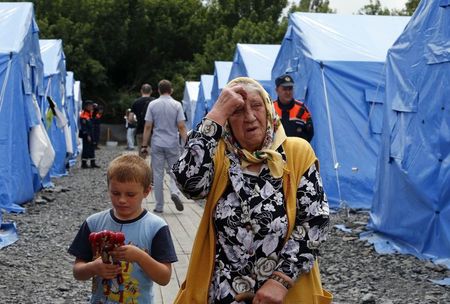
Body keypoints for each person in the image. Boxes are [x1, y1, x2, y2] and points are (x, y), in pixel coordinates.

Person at [172, 77, 332, 303]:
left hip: (284, 295)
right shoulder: (219, 156)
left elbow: (316, 220)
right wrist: (216, 113)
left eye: (256, 106)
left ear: (268, 109)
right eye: (236, 111)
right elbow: (188, 182)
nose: (249, 117)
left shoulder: (296, 153)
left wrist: (281, 279)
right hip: (225, 294)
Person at [68, 154, 178, 304]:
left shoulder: (156, 227)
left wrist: (140, 257)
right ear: (108, 188)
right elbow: (77, 271)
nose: (122, 200)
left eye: (130, 194)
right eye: (115, 193)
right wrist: (93, 267)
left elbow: (164, 277)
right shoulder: (93, 223)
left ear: (147, 192)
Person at [141, 79, 187, 213]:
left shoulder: (153, 105)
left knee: (158, 174)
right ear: (171, 90)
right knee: (175, 171)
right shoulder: (177, 105)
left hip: (157, 142)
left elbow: (148, 126)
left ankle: (159, 206)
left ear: (158, 90)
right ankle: (174, 192)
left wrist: (144, 145)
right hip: (172, 143)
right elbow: (181, 126)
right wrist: (188, 143)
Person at [273, 74, 314, 142]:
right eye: (284, 89)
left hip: (298, 151)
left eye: (290, 89)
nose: (288, 92)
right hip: (277, 151)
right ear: (277, 90)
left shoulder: (302, 110)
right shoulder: (271, 109)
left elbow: (310, 133)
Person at [131, 84, 155, 149]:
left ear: (141, 91)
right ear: (151, 91)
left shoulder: (135, 102)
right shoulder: (155, 102)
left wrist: (136, 121)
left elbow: (130, 118)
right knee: (156, 154)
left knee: (142, 154)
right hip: (154, 132)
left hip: (140, 130)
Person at [79, 100, 100, 169]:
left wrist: (96, 108)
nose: (91, 107)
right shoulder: (83, 115)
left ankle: (92, 163)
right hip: (86, 134)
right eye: (90, 105)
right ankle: (84, 164)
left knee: (92, 148)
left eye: (92, 105)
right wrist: (87, 135)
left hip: (91, 133)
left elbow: (96, 115)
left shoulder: (90, 114)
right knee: (86, 148)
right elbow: (83, 127)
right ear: (86, 106)